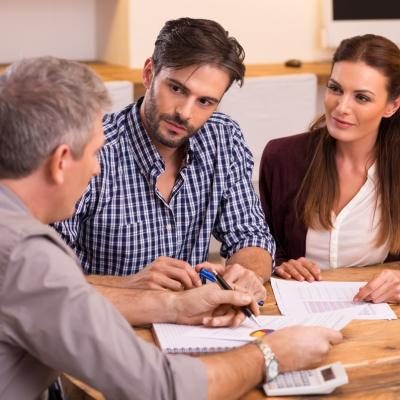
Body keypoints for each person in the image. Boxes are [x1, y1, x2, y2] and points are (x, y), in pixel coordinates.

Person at [0, 56, 342, 400]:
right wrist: (272, 354)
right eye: (93, 154)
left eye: (205, 100)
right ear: (61, 162)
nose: (95, 169)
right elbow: (159, 388)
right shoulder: (27, 256)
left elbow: (251, 236)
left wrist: (179, 305)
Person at [53, 17, 275, 305]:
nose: (185, 112)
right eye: (177, 89)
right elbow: (44, 278)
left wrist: (244, 274)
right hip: (107, 326)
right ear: (149, 73)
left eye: (204, 102)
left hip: (192, 324)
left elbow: (252, 236)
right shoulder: (93, 148)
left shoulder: (223, 138)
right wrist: (129, 285)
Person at [259, 34, 400, 303]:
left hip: (379, 321)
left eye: (361, 97)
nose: (341, 107)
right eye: (335, 89)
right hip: (294, 313)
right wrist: (278, 264)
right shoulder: (282, 158)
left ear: (392, 105)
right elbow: (258, 244)